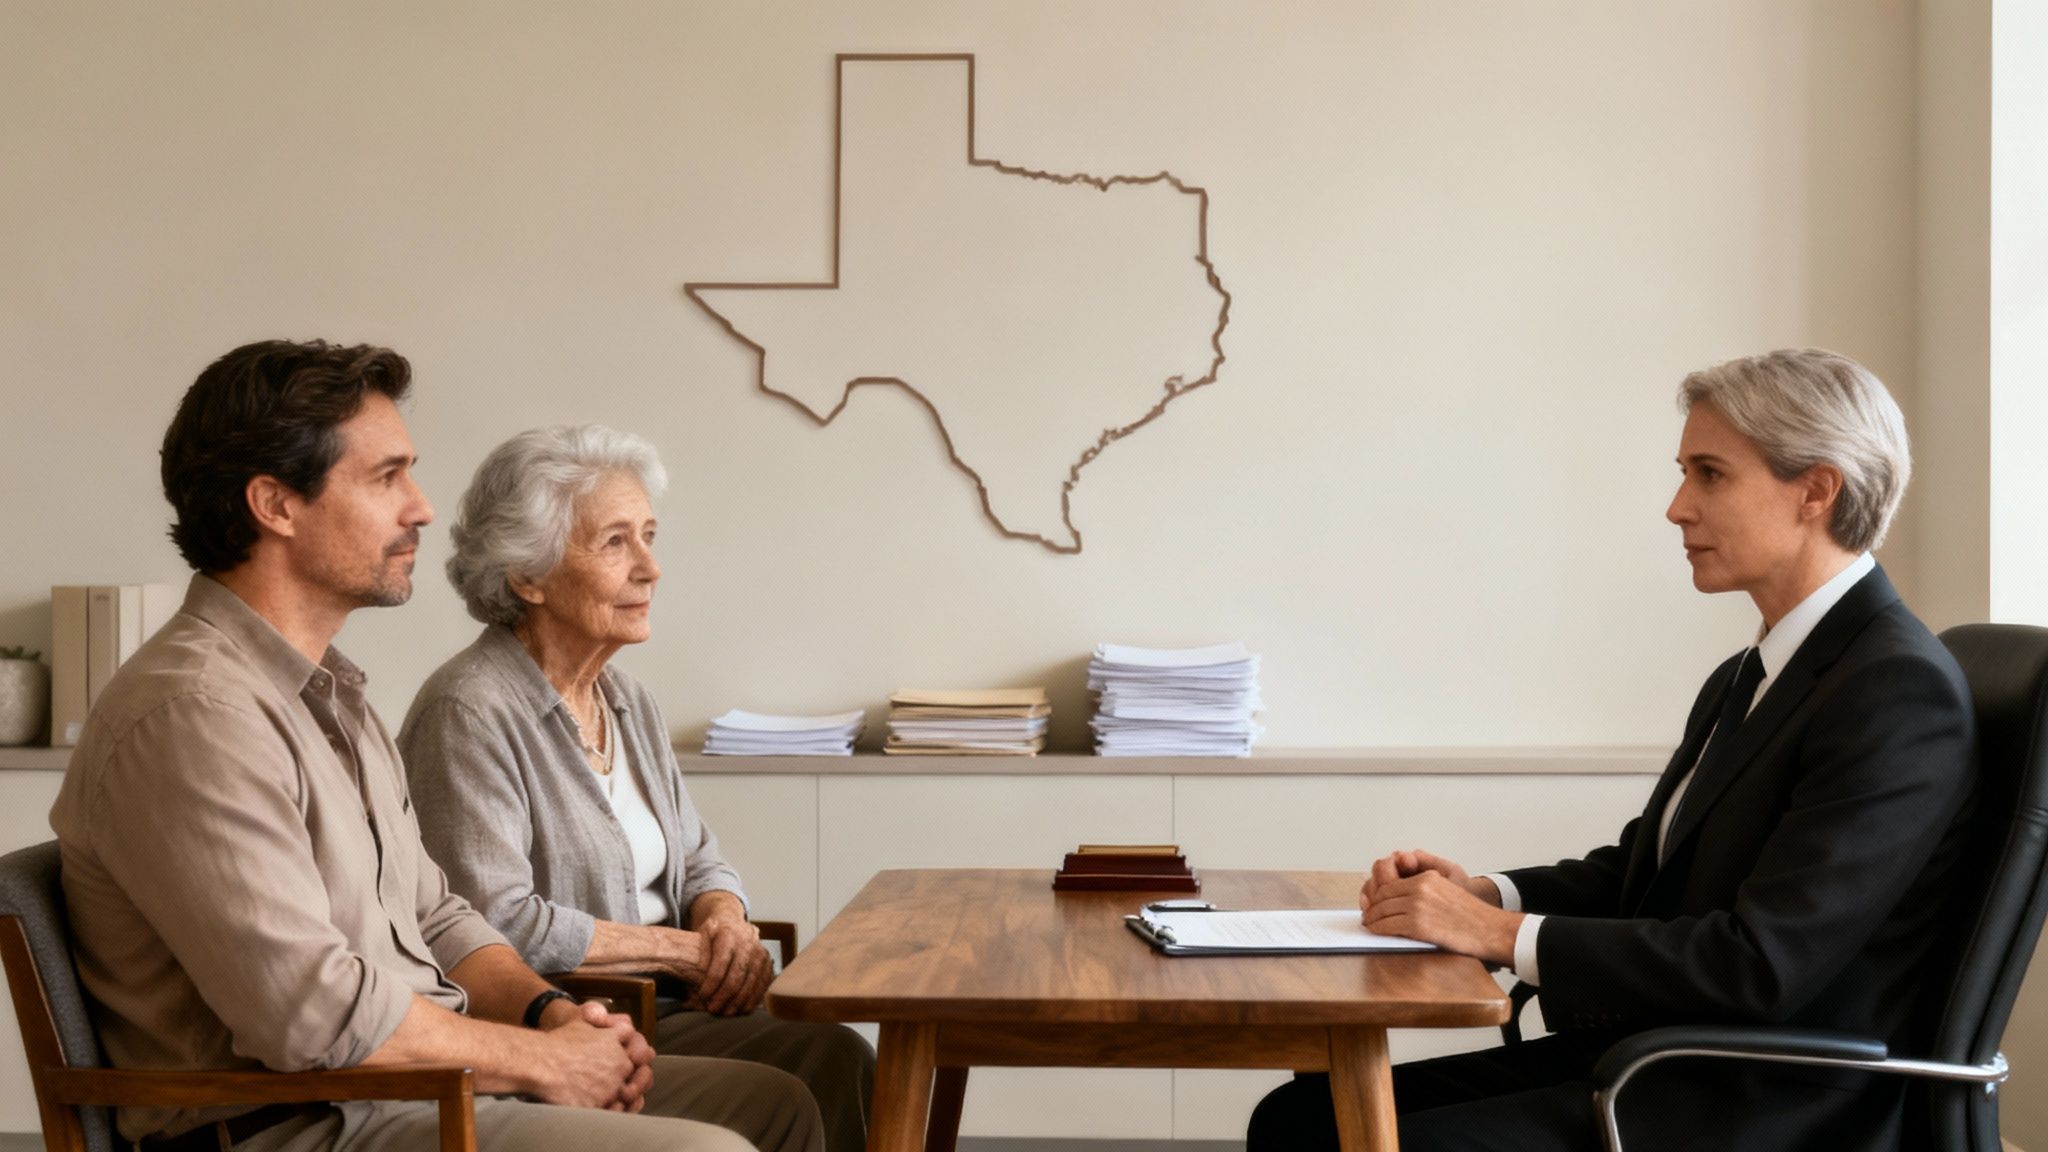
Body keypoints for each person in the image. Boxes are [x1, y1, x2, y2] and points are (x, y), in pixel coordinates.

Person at [50, 340, 825, 1152]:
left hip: (415, 1090)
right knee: (710, 1148)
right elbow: (314, 1017)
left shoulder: (330, 695)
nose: (420, 507)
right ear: (275, 505)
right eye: (387, 477)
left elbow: (439, 916)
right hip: (304, 1120)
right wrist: (538, 1061)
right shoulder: (193, 715)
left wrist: (553, 1017)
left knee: (782, 1103)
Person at [1247, 349, 1978, 1152]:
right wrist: (1487, 895)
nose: (1676, 507)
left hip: (1766, 1098)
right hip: (1668, 1060)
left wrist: (1495, 937)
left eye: (1709, 475)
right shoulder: (1758, 670)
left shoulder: (1895, 688)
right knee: (1302, 1116)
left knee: (1337, 1135)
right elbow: (1647, 873)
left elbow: (1760, 964)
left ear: (1816, 489)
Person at [398, 425, 874, 1152]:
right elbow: (495, 919)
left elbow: (700, 856)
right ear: (528, 575)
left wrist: (725, 922)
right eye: (615, 541)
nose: (650, 567)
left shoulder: (627, 699)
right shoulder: (468, 710)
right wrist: (684, 951)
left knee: (840, 1055)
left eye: (648, 535)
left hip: (670, 1004)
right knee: (793, 1084)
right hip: (573, 1021)